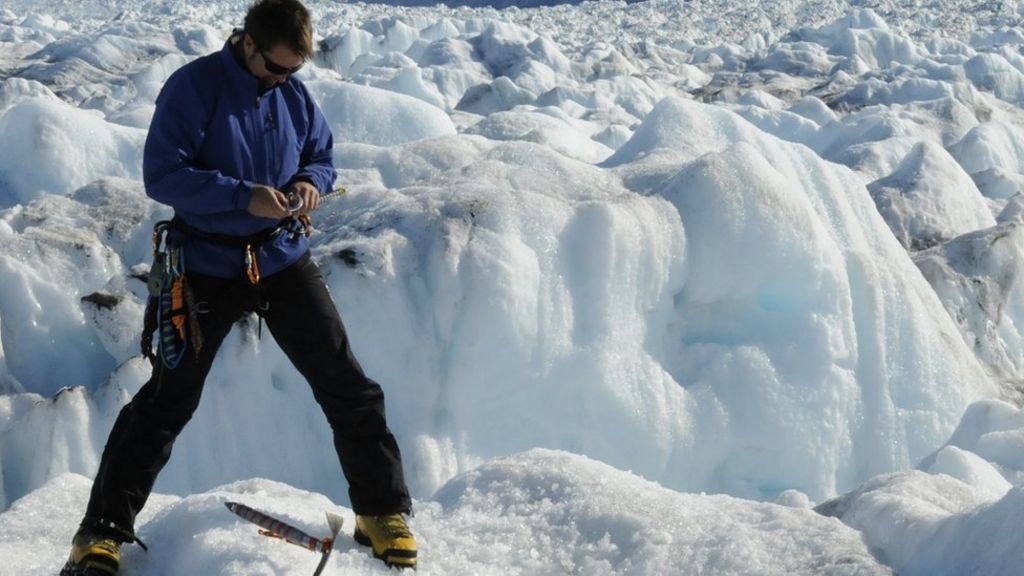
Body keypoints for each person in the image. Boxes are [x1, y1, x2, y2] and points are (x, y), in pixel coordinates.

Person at [61, 1, 417, 573]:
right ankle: (99, 535)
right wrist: (239, 195)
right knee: (166, 404)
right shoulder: (193, 88)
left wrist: (308, 183)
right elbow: (163, 173)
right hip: (206, 263)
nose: (283, 79)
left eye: (293, 70)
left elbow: (322, 157)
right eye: (276, 68)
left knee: (347, 385)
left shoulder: (293, 94)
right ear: (248, 43)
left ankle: (382, 513)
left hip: (281, 257)